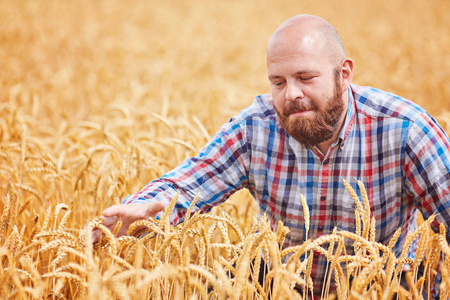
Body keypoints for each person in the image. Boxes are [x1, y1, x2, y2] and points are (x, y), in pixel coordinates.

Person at [97, 15, 450, 296]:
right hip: (280, 282)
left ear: (344, 74)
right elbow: (188, 184)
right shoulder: (255, 129)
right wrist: (146, 207)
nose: (291, 94)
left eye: (305, 77)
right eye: (278, 82)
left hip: (381, 285)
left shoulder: (406, 130)